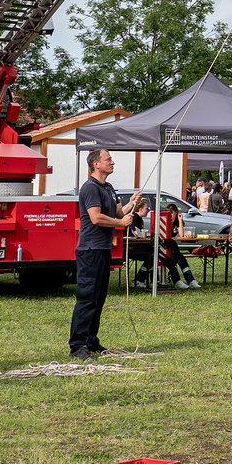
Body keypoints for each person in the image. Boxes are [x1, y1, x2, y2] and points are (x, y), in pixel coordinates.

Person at [70, 149, 138, 361]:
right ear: (96, 164)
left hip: (103, 250)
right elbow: (96, 218)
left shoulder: (108, 187)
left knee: (98, 299)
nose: (112, 162)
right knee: (87, 299)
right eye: (108, 159)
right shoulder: (90, 188)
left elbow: (118, 213)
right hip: (90, 251)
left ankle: (91, 341)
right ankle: (78, 346)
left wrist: (131, 203)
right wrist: (121, 224)